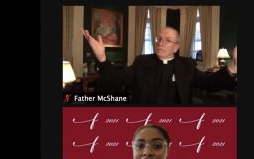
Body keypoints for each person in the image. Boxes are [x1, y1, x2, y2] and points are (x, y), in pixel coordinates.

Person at [82, 27, 237, 104]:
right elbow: (116, 79)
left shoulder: (187, 65)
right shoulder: (142, 62)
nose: (161, 43)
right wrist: (102, 57)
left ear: (176, 47)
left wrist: (234, 65)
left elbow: (210, 84)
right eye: (159, 39)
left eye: (168, 40)